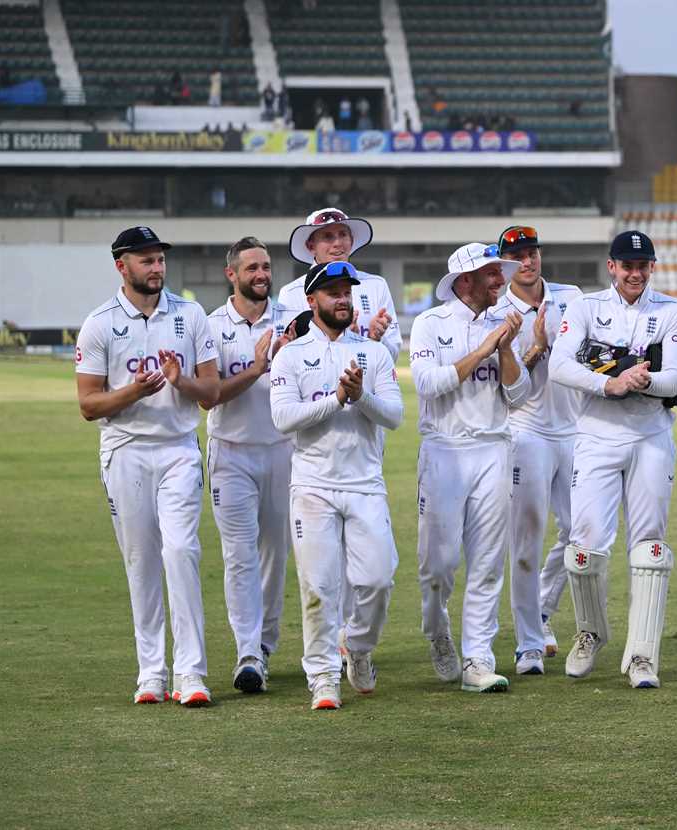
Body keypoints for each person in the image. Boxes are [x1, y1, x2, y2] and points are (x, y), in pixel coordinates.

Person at [75, 226, 220, 706]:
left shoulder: (191, 314)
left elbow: (212, 394)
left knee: (181, 551)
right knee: (141, 563)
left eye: (159, 259)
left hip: (178, 448)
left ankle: (192, 674)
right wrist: (133, 393)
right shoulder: (99, 323)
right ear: (122, 266)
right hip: (125, 451)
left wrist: (181, 383)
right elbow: (89, 404)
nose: (156, 268)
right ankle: (151, 673)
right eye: (146, 261)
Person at [548, 230, 677, 689]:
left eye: (643, 265)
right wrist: (609, 383)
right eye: (626, 265)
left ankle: (642, 656)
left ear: (652, 267)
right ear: (611, 267)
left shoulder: (673, 310)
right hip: (595, 436)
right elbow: (559, 365)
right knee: (582, 550)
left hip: (651, 436)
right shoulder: (585, 308)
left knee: (650, 548)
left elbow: (674, 381)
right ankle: (592, 631)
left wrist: (635, 377)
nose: (635, 273)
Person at [269, 260, 403, 711]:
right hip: (313, 485)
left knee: (379, 580)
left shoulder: (374, 353)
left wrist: (361, 396)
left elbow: (395, 417)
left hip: (365, 482)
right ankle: (323, 676)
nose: (343, 299)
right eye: (333, 292)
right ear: (312, 301)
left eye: (347, 292)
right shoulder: (290, 356)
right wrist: (337, 400)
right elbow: (284, 420)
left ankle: (358, 648)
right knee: (319, 587)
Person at [411, 243, 528, 692]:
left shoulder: (505, 324)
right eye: (492, 274)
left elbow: (519, 396)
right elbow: (429, 384)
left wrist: (507, 351)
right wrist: (484, 349)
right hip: (444, 449)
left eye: (501, 272)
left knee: (487, 562)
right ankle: (437, 630)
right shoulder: (429, 324)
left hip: (494, 447)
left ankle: (478, 659)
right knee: (437, 565)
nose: (501, 280)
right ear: (465, 281)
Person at [202, 237, 298, 693]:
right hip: (231, 453)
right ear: (232, 275)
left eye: (266, 266)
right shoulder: (209, 326)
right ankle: (247, 654)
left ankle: (264, 646)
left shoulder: (292, 322)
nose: (262, 275)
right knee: (238, 556)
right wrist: (259, 367)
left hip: (283, 450)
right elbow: (210, 396)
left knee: (274, 556)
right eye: (252, 268)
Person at [491, 226, 584, 672]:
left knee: (581, 533)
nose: (526, 262)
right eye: (517, 256)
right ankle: (528, 643)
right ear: (505, 263)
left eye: (531, 253)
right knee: (526, 540)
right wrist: (537, 348)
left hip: (576, 429)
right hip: (525, 431)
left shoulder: (572, 296)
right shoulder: (496, 310)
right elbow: (510, 391)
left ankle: (543, 610)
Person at [278, 208, 400, 363]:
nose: (337, 243)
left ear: (352, 241)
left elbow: (393, 356)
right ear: (311, 246)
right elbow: (286, 358)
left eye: (343, 234)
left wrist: (375, 339)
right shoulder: (290, 293)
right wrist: (344, 340)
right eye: (327, 236)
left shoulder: (377, 285)